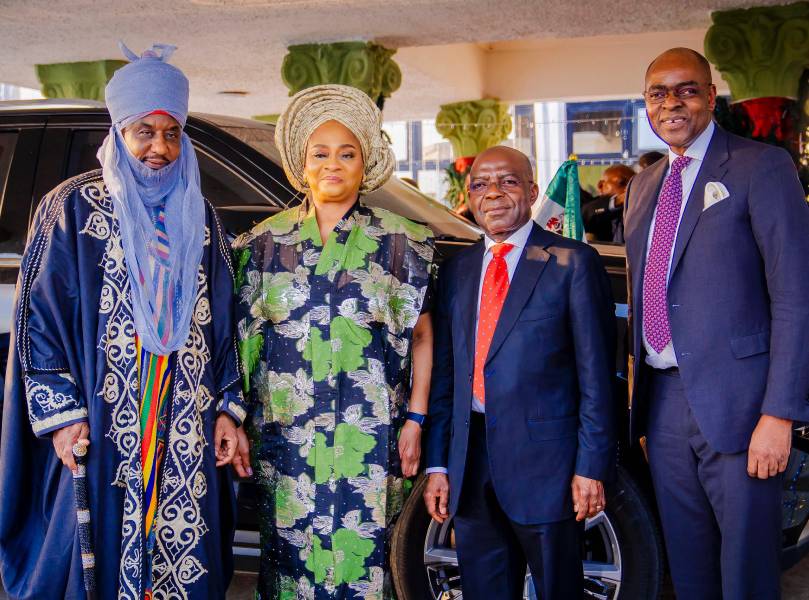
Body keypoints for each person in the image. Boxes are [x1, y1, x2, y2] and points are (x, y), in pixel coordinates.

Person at [0, 43, 247, 599]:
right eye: (144, 132)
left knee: (180, 539)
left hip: (183, 409)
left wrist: (227, 409)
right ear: (119, 131)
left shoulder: (201, 216)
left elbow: (226, 322)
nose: (160, 147)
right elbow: (38, 316)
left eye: (172, 133)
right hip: (103, 410)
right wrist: (62, 414)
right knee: (99, 539)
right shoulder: (73, 207)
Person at [234, 84, 435, 599]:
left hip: (370, 436)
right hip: (286, 439)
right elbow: (243, 346)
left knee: (370, 565)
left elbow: (421, 336)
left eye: (347, 154)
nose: (332, 165)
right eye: (319, 154)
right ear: (301, 166)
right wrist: (234, 420)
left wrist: (415, 419)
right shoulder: (262, 244)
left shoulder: (402, 242)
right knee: (288, 568)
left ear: (364, 164)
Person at [624, 47, 809, 599]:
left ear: (710, 96)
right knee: (689, 571)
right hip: (663, 404)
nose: (671, 103)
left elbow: (796, 296)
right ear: (646, 105)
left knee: (747, 574)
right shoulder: (641, 186)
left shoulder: (761, 166)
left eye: (686, 90)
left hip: (743, 407)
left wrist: (779, 414)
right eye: (658, 93)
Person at [423, 145, 616, 599]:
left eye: (507, 181)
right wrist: (438, 464)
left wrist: (591, 467)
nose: (493, 192)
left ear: (531, 191)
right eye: (480, 184)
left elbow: (596, 376)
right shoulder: (457, 271)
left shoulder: (572, 262)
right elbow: (446, 378)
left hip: (548, 468)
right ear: (469, 197)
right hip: (471, 466)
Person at [582, 164, 635, 242]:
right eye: (622, 183)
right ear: (601, 185)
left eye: (633, 184)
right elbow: (586, 213)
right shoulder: (593, 207)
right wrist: (617, 201)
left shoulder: (634, 209)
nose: (627, 188)